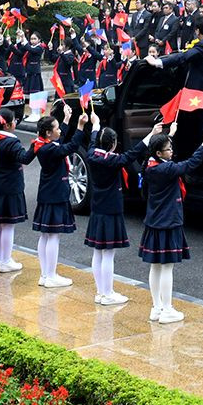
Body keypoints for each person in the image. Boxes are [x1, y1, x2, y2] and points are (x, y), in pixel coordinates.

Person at [138, 123, 203, 322]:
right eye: (169, 149)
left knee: (155, 266)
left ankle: (156, 307)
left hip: (154, 221)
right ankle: (167, 310)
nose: (172, 151)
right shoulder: (166, 169)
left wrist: (169, 134)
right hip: (168, 221)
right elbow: (191, 164)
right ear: (159, 152)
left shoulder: (150, 164)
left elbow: (162, 150)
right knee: (167, 267)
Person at [31, 106, 90, 287]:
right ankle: (50, 276)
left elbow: (60, 140)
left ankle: (45, 275)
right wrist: (80, 127)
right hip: (55, 195)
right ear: (48, 133)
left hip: (47, 194)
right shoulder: (50, 150)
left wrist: (65, 119)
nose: (59, 130)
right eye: (56, 128)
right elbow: (70, 146)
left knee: (45, 236)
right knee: (53, 236)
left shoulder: (43, 144)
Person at [83, 115, 138, 304]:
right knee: (108, 253)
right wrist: (151, 136)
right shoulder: (113, 161)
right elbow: (133, 154)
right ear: (113, 144)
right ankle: (108, 293)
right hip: (111, 209)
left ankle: (100, 292)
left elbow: (92, 142)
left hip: (98, 207)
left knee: (98, 252)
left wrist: (96, 126)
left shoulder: (92, 155)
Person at [0, 121, 39, 274]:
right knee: (8, 225)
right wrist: (35, 147)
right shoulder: (11, 141)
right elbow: (24, 158)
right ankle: (6, 260)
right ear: (8, 125)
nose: (16, 122)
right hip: (11, 187)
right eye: (14, 120)